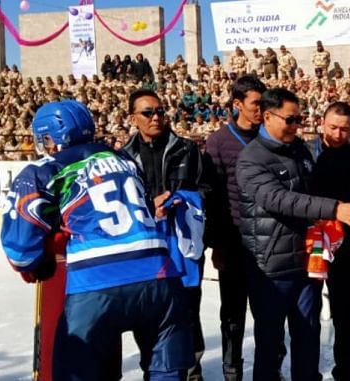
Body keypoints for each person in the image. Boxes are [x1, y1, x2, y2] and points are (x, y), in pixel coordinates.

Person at [1, 100, 193, 380]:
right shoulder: (126, 160)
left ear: (50, 137)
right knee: (167, 373)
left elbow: (21, 251)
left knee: (77, 372)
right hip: (161, 278)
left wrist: (40, 258)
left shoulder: (45, 169)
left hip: (96, 284)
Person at [235, 88, 350, 381]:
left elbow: (310, 191)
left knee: (308, 339)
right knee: (270, 345)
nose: (296, 125)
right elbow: (280, 200)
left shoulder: (299, 150)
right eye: (290, 119)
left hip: (307, 262)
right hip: (272, 268)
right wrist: (334, 209)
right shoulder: (251, 159)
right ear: (267, 116)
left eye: (299, 119)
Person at [122, 88, 208, 381]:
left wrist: (182, 199)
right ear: (133, 118)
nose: (156, 117)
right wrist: (150, 207)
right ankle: (153, 369)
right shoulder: (123, 159)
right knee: (149, 317)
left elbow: (207, 190)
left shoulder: (187, 149)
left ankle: (193, 374)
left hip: (183, 249)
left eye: (160, 111)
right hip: (145, 250)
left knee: (187, 314)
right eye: (148, 113)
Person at [204, 75, 267, 381]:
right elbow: (212, 197)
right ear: (238, 104)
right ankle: (232, 369)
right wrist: (218, 243)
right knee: (232, 314)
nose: (261, 109)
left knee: (268, 311)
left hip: (268, 241)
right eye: (256, 103)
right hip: (233, 241)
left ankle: (269, 367)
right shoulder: (218, 141)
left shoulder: (270, 137)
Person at [310, 102, 350, 381]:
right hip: (310, 243)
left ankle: (343, 370)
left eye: (344, 129)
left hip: (344, 245)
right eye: (333, 127)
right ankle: (307, 370)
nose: (337, 133)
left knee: (344, 314)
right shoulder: (306, 153)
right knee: (308, 311)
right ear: (322, 123)